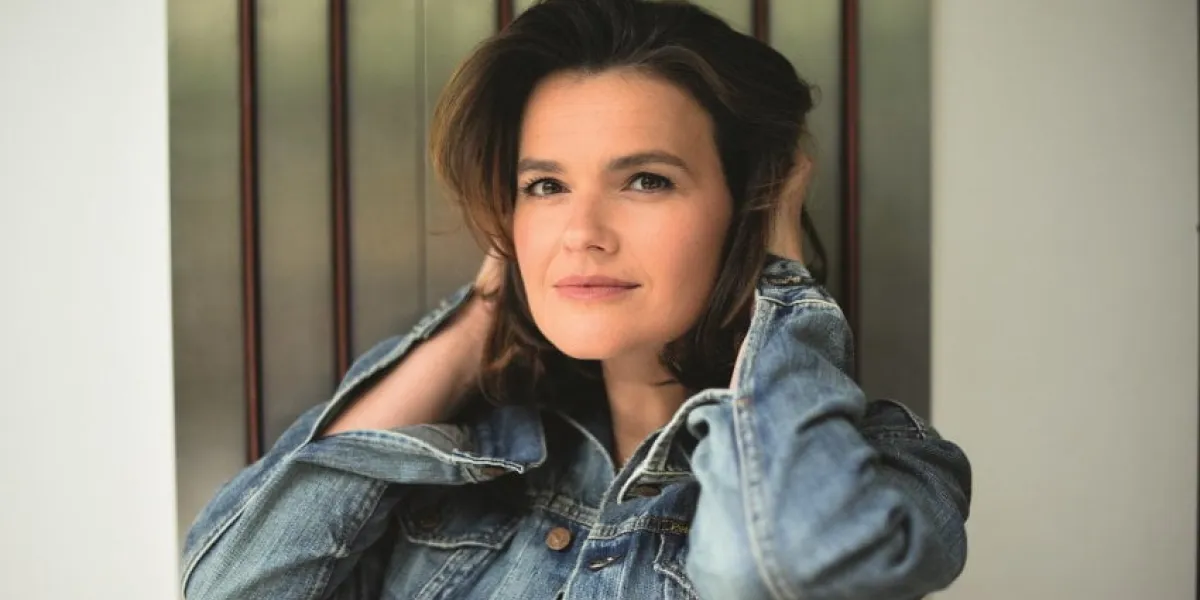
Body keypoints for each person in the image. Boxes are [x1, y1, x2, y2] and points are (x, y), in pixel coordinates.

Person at [180, 0, 971, 598]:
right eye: (545, 186)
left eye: (646, 180)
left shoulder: (891, 471)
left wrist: (782, 281)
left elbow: (783, 560)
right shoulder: (461, 470)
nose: (582, 233)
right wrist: (481, 317)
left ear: (752, 204)